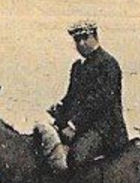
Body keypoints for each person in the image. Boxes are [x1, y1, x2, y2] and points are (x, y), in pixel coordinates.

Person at [40, 20, 127, 173]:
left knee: (76, 157)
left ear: (95, 37)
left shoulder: (108, 64)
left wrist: (73, 125)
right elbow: (72, 96)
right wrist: (59, 107)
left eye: (84, 38)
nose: (81, 43)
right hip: (82, 126)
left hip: (104, 128)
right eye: (77, 40)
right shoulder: (78, 67)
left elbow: (100, 101)